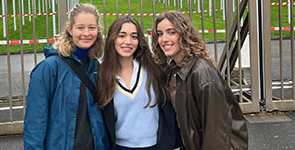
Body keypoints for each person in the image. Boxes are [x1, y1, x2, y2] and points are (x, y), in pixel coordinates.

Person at [152, 11, 248, 150]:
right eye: (160, 34)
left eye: (171, 32)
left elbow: (216, 133)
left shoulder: (203, 75)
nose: (164, 39)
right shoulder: (174, 69)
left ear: (184, 35)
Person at [24, 3, 109, 150]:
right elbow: (35, 122)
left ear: (98, 30)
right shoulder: (49, 68)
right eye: (80, 27)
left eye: (92, 28)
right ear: (70, 30)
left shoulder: (97, 68)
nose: (86, 33)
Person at [98, 15, 179, 150]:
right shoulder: (102, 76)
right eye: (122, 35)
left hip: (156, 146)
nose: (128, 41)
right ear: (113, 39)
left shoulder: (153, 70)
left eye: (134, 36)